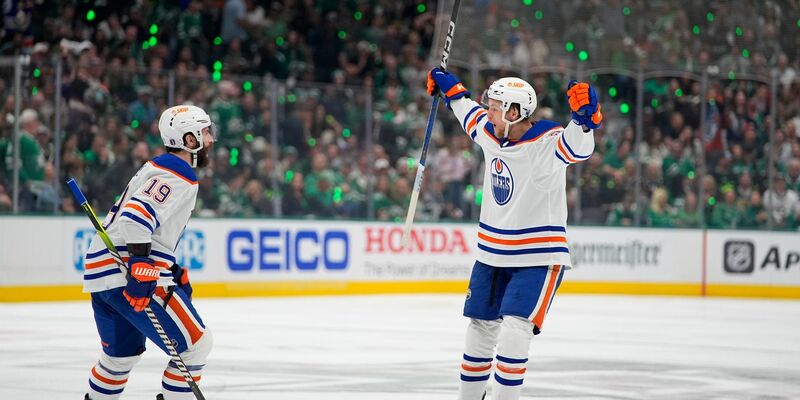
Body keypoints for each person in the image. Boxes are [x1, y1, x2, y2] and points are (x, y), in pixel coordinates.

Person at [426, 69, 601, 400]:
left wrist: (584, 120)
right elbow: (468, 112)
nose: (488, 110)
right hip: (491, 254)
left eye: (495, 106)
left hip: (538, 256)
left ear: (514, 112)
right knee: (479, 327)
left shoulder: (547, 144)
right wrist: (450, 89)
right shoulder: (491, 133)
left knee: (515, 330)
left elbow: (578, 148)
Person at [82, 105, 216, 400]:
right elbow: (135, 218)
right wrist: (142, 265)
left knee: (120, 358)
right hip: (126, 274)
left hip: (103, 275)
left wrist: (170, 269)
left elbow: (145, 227)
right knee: (196, 346)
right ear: (189, 140)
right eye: (205, 132)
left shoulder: (159, 167)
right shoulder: (178, 171)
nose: (211, 139)